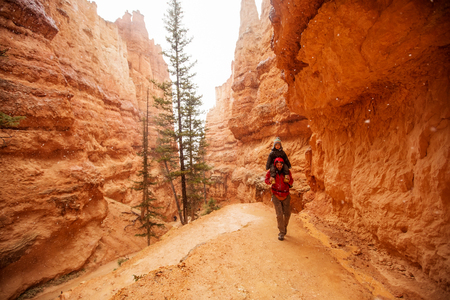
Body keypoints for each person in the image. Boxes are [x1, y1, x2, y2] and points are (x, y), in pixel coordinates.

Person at [265, 157, 294, 241]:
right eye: (277, 165)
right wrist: (270, 181)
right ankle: (281, 232)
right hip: (276, 196)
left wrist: (288, 181)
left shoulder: (287, 172)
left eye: (280, 164)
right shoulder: (271, 172)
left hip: (286, 196)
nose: (279, 166)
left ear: (282, 164)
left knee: (287, 214)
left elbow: (292, 181)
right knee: (279, 215)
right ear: (275, 165)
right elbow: (266, 180)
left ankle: (284, 229)